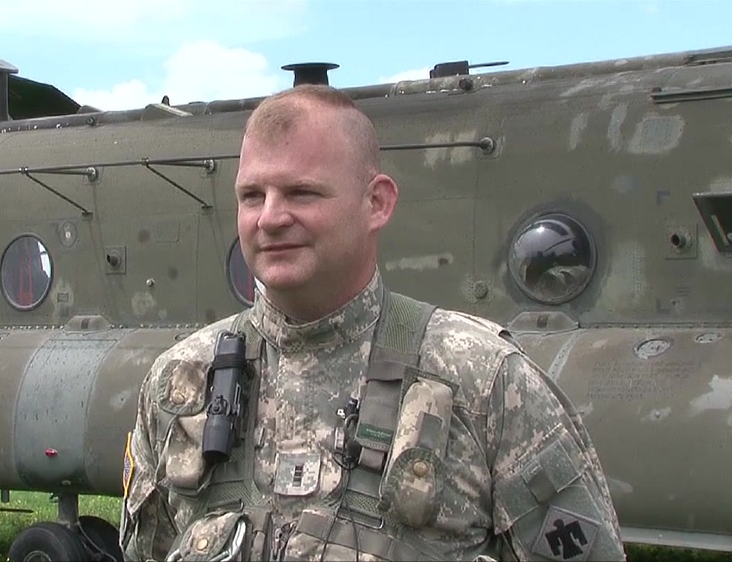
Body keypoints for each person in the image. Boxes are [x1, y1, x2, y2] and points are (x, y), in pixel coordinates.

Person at [120, 84, 625, 561]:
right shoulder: (182, 385)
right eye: (252, 195)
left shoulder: (485, 380)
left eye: (301, 193)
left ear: (377, 202)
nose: (269, 217)